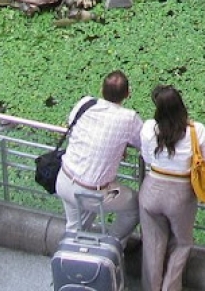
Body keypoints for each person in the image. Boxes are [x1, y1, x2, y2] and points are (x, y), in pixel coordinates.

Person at [139, 85, 205, 291]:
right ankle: (170, 287)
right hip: (180, 194)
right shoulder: (196, 131)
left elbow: (146, 158)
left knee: (152, 244)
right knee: (182, 243)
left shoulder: (148, 128)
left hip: (152, 189)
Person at [55, 70, 142, 243]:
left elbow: (72, 122)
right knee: (136, 204)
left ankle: (74, 257)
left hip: (64, 180)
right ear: (128, 93)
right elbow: (143, 142)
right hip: (95, 193)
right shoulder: (129, 118)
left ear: (101, 90)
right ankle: (111, 244)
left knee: (75, 230)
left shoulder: (85, 103)